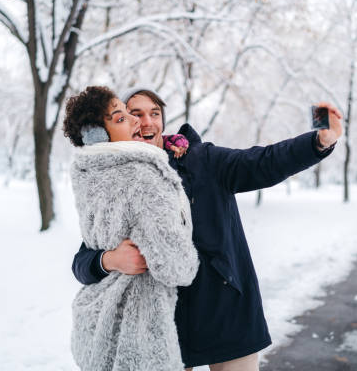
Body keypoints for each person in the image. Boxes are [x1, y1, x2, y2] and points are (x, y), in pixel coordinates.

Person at [72, 87, 343, 370]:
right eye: (135, 114)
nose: (146, 122)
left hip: (225, 313)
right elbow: (82, 259)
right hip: (164, 330)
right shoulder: (116, 183)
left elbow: (263, 162)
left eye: (155, 113)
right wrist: (108, 260)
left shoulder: (205, 160)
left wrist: (318, 142)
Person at [63, 86, 199, 371]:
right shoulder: (142, 176)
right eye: (123, 117)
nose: (138, 121)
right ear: (97, 134)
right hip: (139, 332)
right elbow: (177, 267)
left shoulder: (88, 174)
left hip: (97, 322)